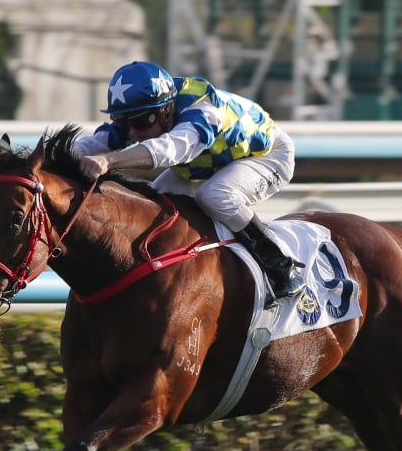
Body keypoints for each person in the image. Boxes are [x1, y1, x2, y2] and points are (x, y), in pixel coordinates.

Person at [73, 60, 305, 300]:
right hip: (209, 164)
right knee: (155, 201)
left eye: (141, 122)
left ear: (165, 110)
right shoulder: (146, 109)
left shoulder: (202, 110)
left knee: (215, 195)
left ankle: (279, 264)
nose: (133, 132)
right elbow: (96, 142)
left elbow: (170, 150)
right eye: (124, 122)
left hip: (268, 155)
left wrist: (108, 161)